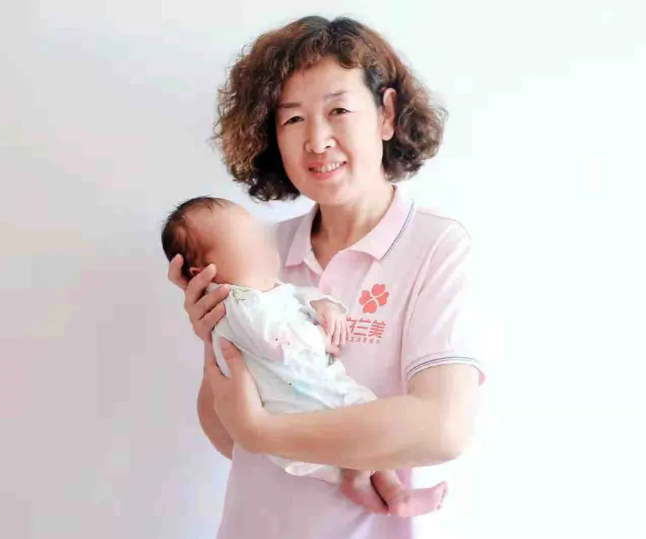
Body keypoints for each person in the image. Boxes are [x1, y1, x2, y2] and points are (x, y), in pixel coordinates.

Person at [167, 15, 485, 539]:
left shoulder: (435, 247)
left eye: (338, 110)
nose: (316, 141)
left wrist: (263, 429)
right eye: (292, 119)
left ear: (386, 114)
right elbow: (230, 439)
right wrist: (214, 338)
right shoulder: (257, 252)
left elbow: (441, 428)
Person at [161, 196, 448, 516]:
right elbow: (275, 342)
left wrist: (323, 306)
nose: (261, 246)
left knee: (365, 420)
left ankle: (393, 492)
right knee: (356, 428)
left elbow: (297, 297)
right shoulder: (237, 304)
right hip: (299, 409)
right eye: (244, 245)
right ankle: (370, 486)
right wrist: (318, 336)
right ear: (205, 272)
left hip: (316, 395)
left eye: (256, 236)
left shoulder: (267, 290)